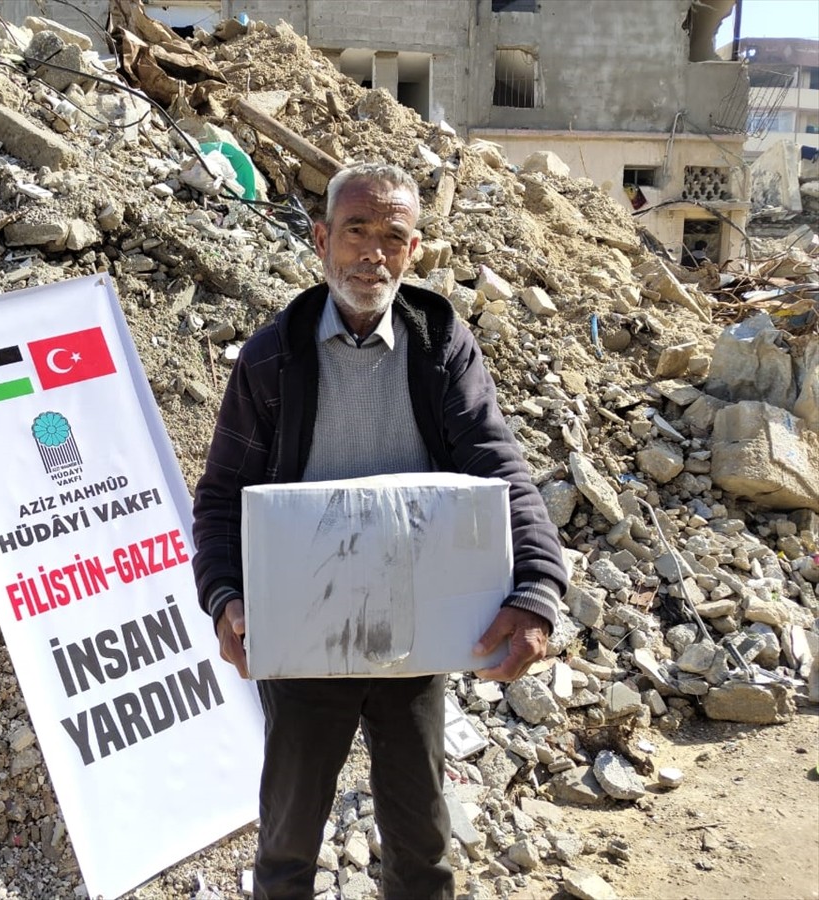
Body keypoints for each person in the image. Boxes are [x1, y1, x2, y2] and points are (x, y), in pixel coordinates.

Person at [191, 162, 567, 899]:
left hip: (413, 630)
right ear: (322, 239)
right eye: (356, 232)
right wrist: (226, 595)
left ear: (414, 249)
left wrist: (537, 589)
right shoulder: (275, 359)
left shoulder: (439, 347)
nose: (372, 253)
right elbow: (221, 496)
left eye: (392, 236)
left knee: (422, 842)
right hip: (305, 634)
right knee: (288, 840)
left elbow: (500, 468)